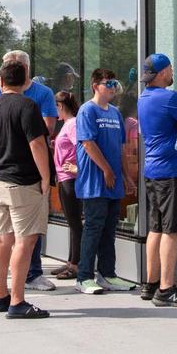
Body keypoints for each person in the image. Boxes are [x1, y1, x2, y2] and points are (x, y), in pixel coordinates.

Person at [0, 60, 52, 319]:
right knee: (25, 240)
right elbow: (37, 145)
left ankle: (1, 296)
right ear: (25, 82)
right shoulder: (28, 106)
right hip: (23, 182)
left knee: (2, 239)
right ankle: (17, 301)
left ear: (1, 81)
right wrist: (46, 177)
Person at [137, 53, 177, 307]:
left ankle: (150, 284)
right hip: (172, 172)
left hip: (153, 172)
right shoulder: (170, 98)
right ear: (163, 72)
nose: (173, 73)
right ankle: (166, 289)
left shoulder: (143, 98)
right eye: (171, 69)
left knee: (155, 228)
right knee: (171, 231)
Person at [72, 68, 134, 295]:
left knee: (109, 230)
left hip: (113, 183)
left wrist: (127, 177)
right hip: (94, 182)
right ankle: (84, 277)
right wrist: (107, 170)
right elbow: (88, 144)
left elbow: (121, 148)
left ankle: (107, 274)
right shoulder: (87, 110)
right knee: (93, 229)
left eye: (114, 83)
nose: (112, 87)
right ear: (95, 86)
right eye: (108, 83)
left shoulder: (116, 113)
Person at [51, 90, 81, 279]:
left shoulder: (73, 123)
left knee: (75, 222)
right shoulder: (67, 124)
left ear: (60, 106)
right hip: (63, 177)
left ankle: (76, 264)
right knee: (71, 222)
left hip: (70, 178)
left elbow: (82, 145)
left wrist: (77, 168)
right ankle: (71, 261)